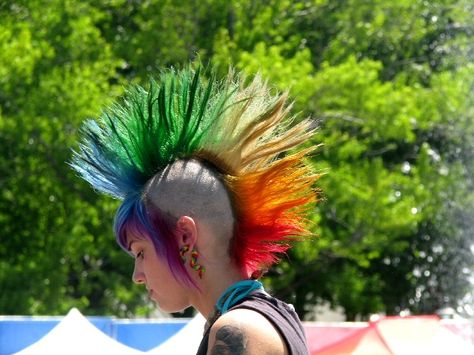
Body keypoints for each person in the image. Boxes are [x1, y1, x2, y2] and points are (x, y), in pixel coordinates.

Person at [71, 66, 319, 354]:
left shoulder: (240, 329)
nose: (137, 276)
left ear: (185, 236)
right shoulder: (264, 316)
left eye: (141, 252)